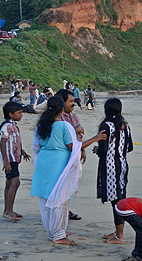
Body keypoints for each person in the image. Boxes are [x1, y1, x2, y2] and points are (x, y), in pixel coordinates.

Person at [30, 97, 105, 245]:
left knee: (46, 198)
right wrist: (95, 139)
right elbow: (74, 147)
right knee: (59, 198)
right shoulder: (64, 126)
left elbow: (36, 147)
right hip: (58, 162)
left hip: (44, 162)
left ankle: (53, 232)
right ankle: (58, 234)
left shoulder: (41, 125)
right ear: (62, 110)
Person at [96, 98, 134, 244]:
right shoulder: (125, 126)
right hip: (123, 165)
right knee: (120, 196)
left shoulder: (106, 126)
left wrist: (98, 150)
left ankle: (120, 236)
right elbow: (130, 147)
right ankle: (118, 231)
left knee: (116, 200)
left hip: (110, 167)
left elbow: (103, 149)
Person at [0, 101, 30, 222]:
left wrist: (22, 151)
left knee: (9, 183)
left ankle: (7, 209)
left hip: (14, 157)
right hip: (10, 159)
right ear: (11, 114)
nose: (21, 115)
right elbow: (3, 143)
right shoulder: (7, 126)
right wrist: (6, 161)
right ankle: (9, 211)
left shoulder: (13, 125)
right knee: (15, 182)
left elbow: (14, 142)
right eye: (19, 113)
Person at [57, 89, 85, 221]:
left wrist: (82, 150)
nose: (73, 104)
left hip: (75, 152)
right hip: (64, 154)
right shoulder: (59, 117)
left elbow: (79, 134)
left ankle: (65, 208)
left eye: (74, 101)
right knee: (63, 183)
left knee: (70, 183)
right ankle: (62, 210)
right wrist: (77, 129)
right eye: (71, 101)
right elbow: (63, 134)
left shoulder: (73, 116)